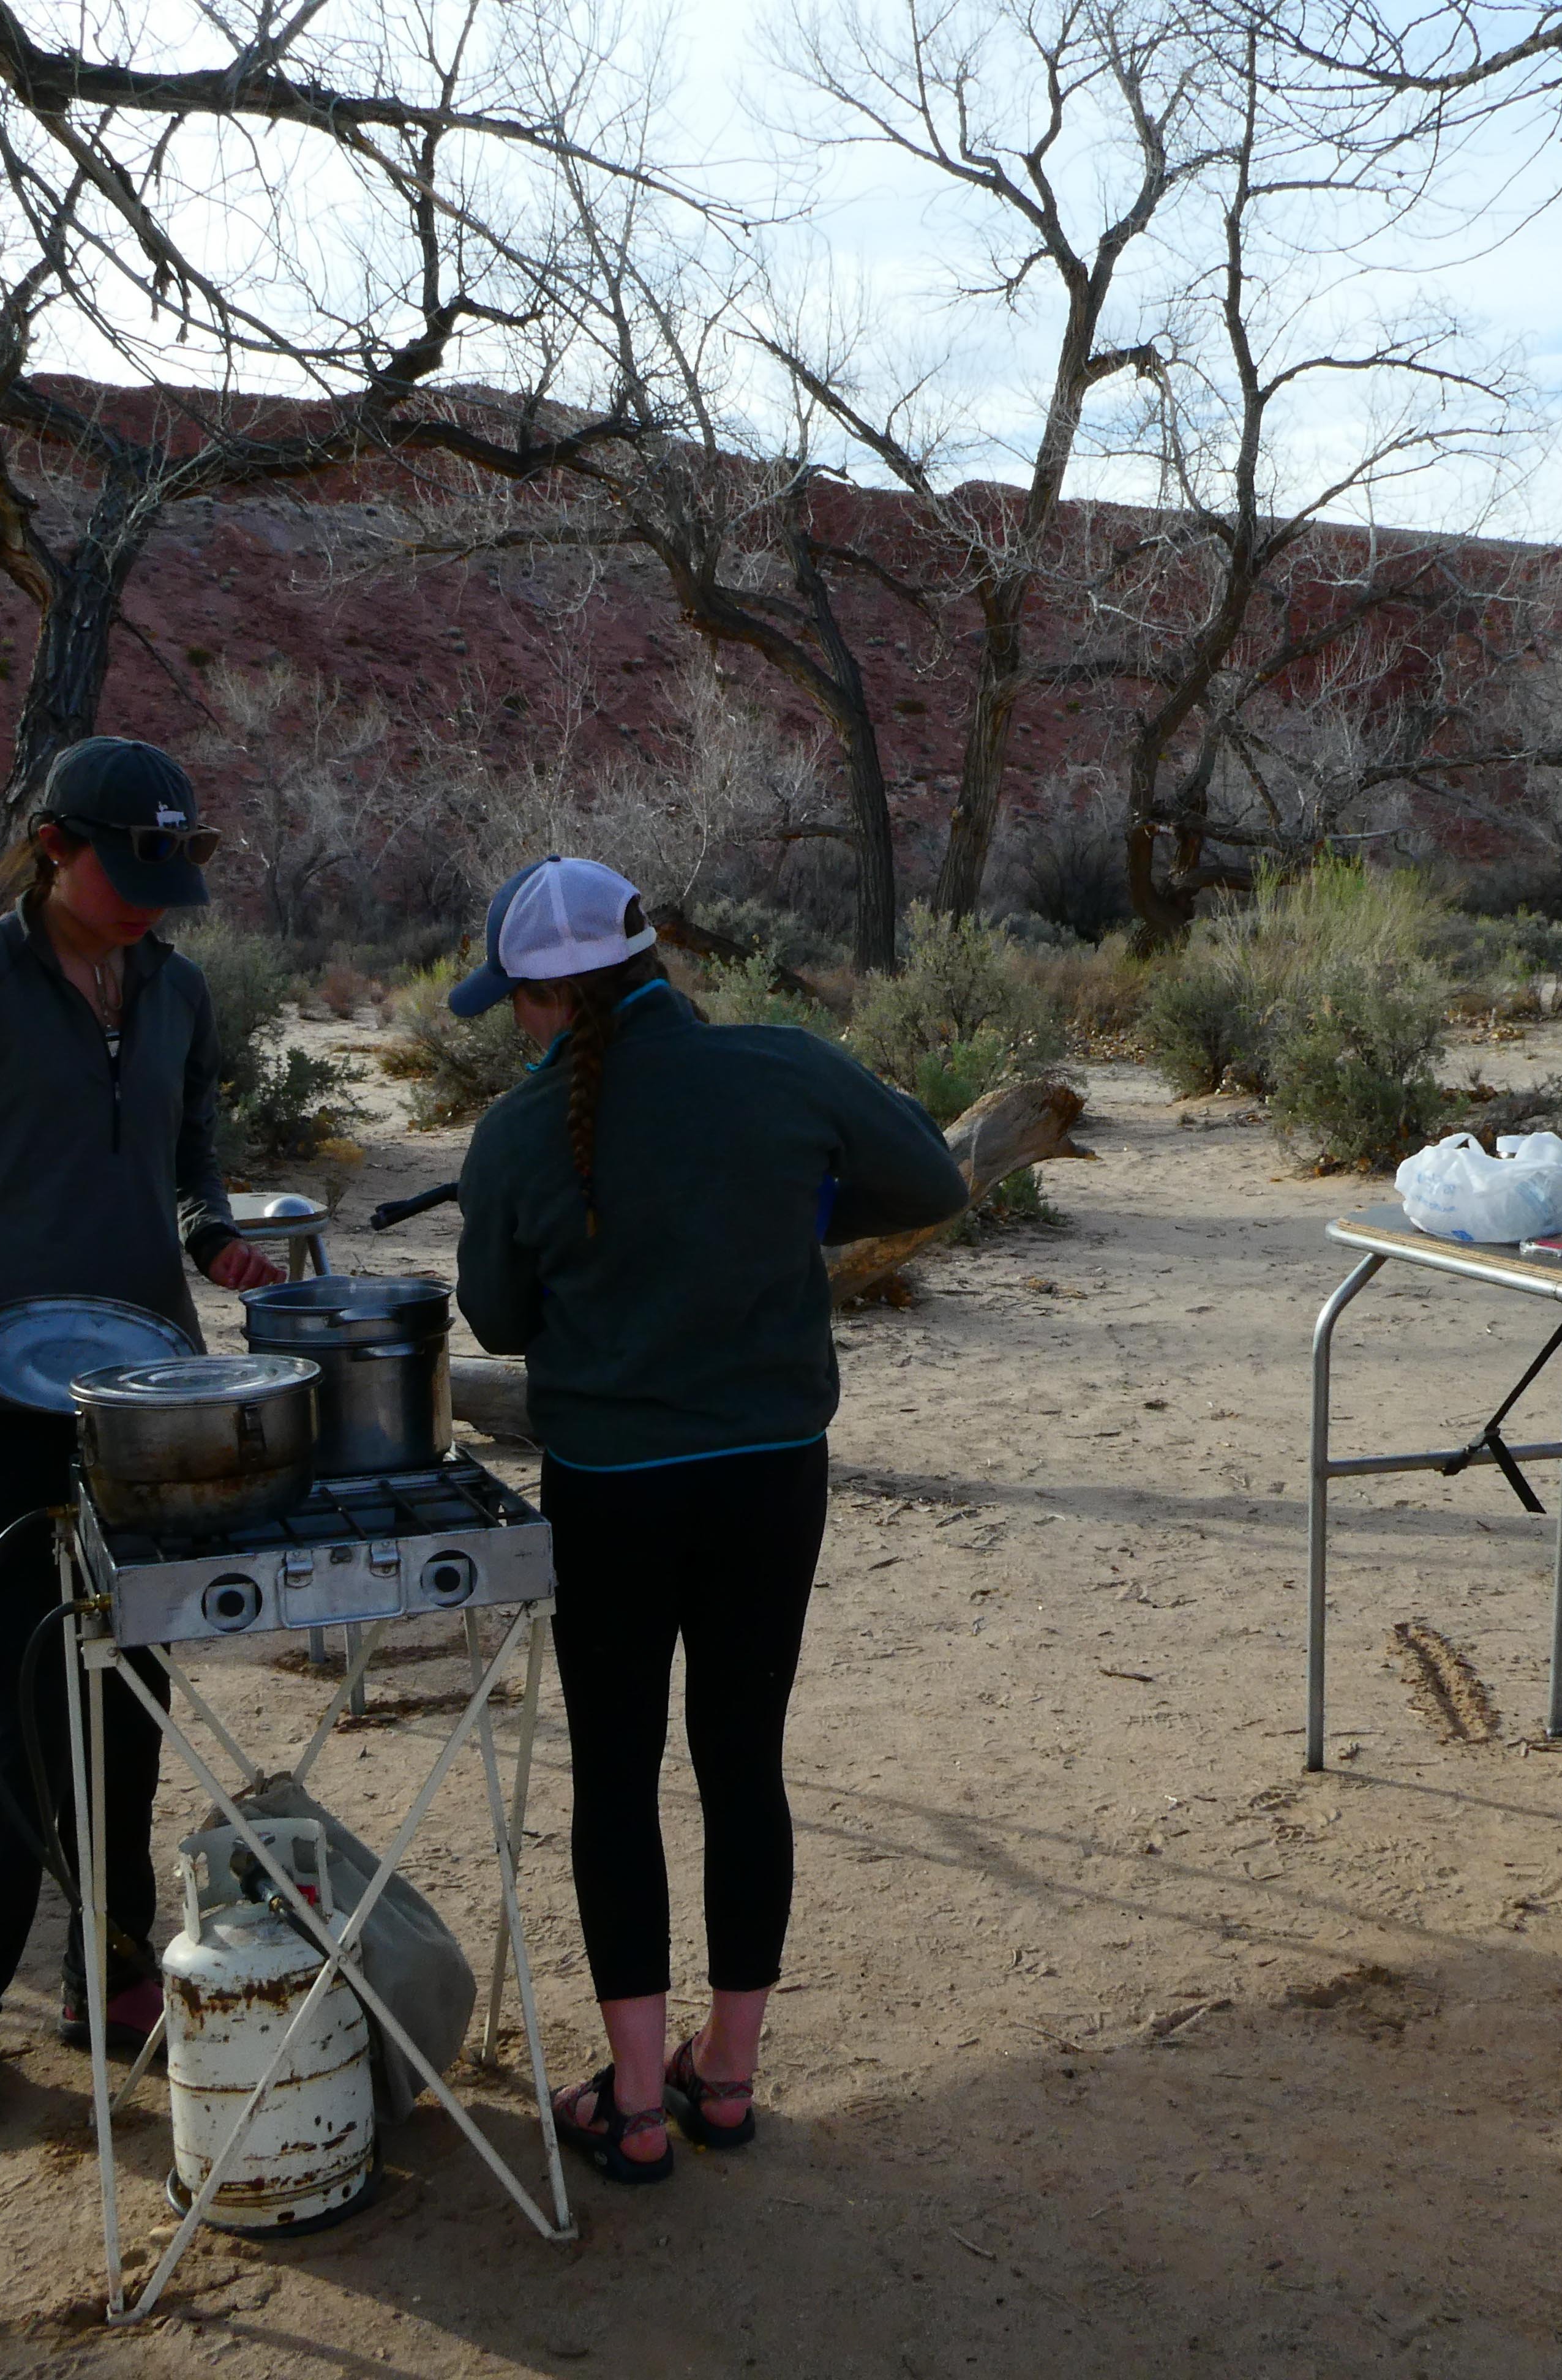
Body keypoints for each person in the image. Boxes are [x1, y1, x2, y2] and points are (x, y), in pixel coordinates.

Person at [450, 856, 968, 2181]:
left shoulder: (516, 1135)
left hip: (613, 1489)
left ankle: (631, 2102)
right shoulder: (784, 1067)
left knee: (616, 1778)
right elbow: (932, 1181)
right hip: (771, 1474)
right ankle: (725, 2082)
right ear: (650, 959)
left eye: (513, 1001)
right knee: (745, 1760)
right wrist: (798, 1204)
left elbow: (499, 1322)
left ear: (546, 996)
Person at [0, 736, 280, 2142]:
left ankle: (113, 1975)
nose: (148, 901)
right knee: (22, 1714)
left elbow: (191, 1145)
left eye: (168, 875)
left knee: (130, 1695)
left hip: (145, 1395)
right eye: (124, 869)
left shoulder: (176, 988)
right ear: (51, 844)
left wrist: (214, 1233)